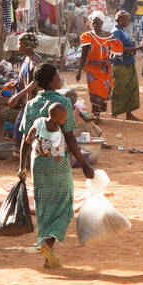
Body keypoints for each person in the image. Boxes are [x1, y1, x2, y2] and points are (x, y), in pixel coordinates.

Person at [18, 64, 96, 269]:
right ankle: (48, 244)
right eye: (59, 75)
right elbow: (70, 137)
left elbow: (25, 139)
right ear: (52, 80)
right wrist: (84, 164)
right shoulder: (62, 103)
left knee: (43, 205)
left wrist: (22, 167)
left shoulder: (31, 104)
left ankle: (46, 245)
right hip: (58, 163)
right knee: (64, 204)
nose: (61, 77)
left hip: (38, 161)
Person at [77, 11, 122, 117]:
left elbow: (118, 49)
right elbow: (83, 54)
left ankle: (99, 110)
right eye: (93, 23)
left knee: (105, 90)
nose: (95, 25)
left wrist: (112, 59)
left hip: (106, 69)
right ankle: (96, 112)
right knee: (94, 90)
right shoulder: (87, 36)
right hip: (92, 69)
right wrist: (79, 70)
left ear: (102, 23)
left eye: (98, 23)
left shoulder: (108, 36)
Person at [109, 10, 141, 120]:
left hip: (128, 63)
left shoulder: (122, 31)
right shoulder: (116, 32)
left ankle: (128, 113)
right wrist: (137, 48)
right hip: (121, 64)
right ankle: (115, 113)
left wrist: (133, 46)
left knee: (130, 88)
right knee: (119, 88)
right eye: (127, 19)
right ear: (121, 20)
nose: (128, 21)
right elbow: (119, 49)